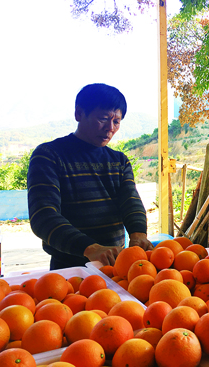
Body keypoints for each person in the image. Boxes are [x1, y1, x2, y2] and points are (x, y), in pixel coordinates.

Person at [27, 83, 152, 270]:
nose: (110, 128)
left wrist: (138, 233)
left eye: (116, 122)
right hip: (68, 269)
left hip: (115, 266)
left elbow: (130, 200)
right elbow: (43, 216)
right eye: (103, 119)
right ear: (79, 114)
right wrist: (90, 248)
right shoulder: (49, 156)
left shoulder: (119, 161)